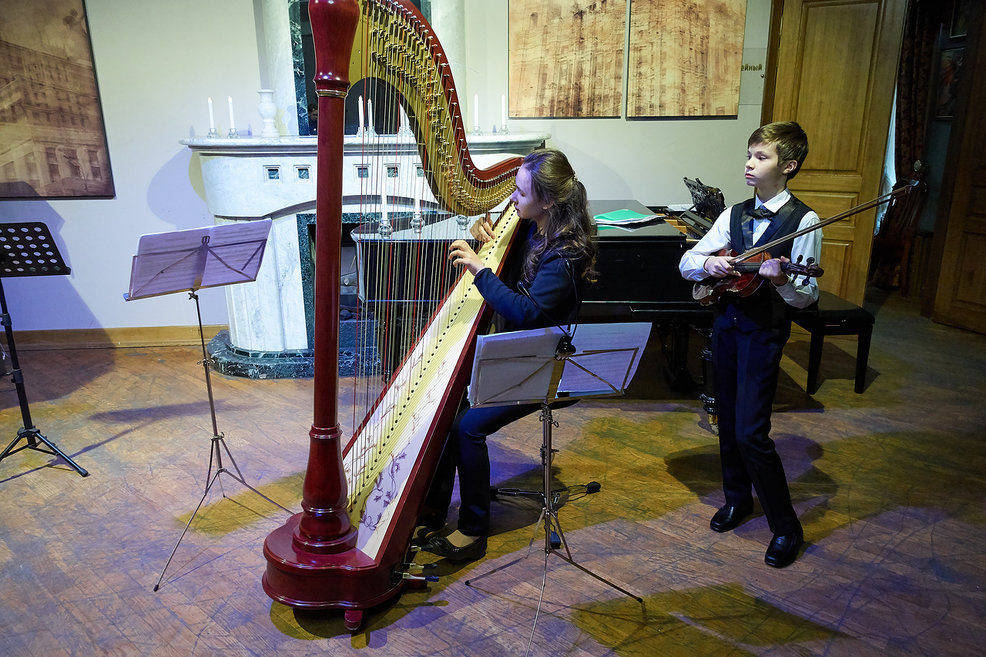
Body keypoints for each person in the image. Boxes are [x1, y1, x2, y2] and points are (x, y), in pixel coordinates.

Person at [417, 148, 597, 562]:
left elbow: (526, 311)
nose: (511, 199)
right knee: (448, 408)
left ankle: (473, 530)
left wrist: (480, 270)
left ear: (548, 200)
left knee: (468, 426)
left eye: (519, 191)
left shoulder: (567, 252)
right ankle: (430, 509)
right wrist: (490, 241)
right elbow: (515, 272)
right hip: (517, 353)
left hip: (544, 362)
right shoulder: (535, 227)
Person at [678, 121, 821, 568]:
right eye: (749, 155)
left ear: (789, 166)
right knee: (725, 421)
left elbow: (806, 295)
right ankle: (738, 500)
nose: (749, 163)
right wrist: (713, 266)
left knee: (751, 432)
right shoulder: (734, 214)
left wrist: (781, 282)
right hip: (726, 325)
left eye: (762, 157)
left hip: (764, 333)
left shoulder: (805, 220)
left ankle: (786, 526)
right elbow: (688, 263)